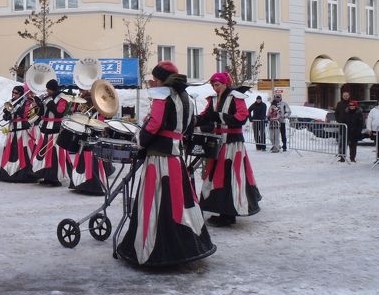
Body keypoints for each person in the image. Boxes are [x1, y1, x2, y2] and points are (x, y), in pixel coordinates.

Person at [116, 61, 215, 267]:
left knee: (156, 200)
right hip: (175, 156)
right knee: (178, 200)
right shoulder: (185, 96)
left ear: (160, 79)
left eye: (155, 78)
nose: (153, 82)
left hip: (159, 156)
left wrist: (140, 141)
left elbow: (154, 124)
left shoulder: (162, 94)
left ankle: (152, 248)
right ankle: (185, 246)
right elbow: (189, 125)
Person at [195, 72, 262, 227]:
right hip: (219, 143)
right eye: (212, 85)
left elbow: (241, 117)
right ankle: (222, 210)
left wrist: (219, 117)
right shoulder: (213, 99)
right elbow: (205, 116)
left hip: (232, 144)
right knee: (217, 177)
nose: (214, 87)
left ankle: (228, 214)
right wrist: (192, 121)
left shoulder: (236, 97)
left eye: (217, 84)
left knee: (229, 177)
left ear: (225, 83)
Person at [68, 89, 110, 195]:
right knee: (81, 159)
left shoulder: (98, 112)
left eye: (85, 104)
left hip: (93, 137)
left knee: (90, 160)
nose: (83, 107)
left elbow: (101, 124)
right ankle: (80, 183)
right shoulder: (86, 110)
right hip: (84, 135)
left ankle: (90, 184)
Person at [31, 79, 68, 186]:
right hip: (45, 127)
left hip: (56, 127)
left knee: (54, 153)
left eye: (49, 89)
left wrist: (50, 102)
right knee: (44, 153)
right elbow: (42, 113)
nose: (47, 91)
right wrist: (39, 104)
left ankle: (55, 178)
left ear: (53, 89)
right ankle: (46, 176)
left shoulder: (62, 98)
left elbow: (59, 113)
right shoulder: (47, 97)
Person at [0, 85, 38, 182]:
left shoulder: (27, 102)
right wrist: (6, 114)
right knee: (10, 151)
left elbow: (26, 114)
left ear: (20, 94)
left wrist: (15, 109)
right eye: (13, 92)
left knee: (22, 151)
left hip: (22, 130)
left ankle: (23, 174)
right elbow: (7, 117)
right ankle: (8, 173)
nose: (13, 94)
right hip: (12, 129)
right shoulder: (11, 102)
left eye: (16, 93)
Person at [334, 91, 351, 162]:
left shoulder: (351, 103)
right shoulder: (339, 103)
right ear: (342, 96)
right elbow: (336, 113)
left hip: (350, 126)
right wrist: (339, 121)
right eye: (344, 95)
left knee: (351, 143)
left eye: (347, 95)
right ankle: (342, 156)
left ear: (349, 96)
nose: (345, 97)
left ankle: (352, 157)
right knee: (342, 141)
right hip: (342, 126)